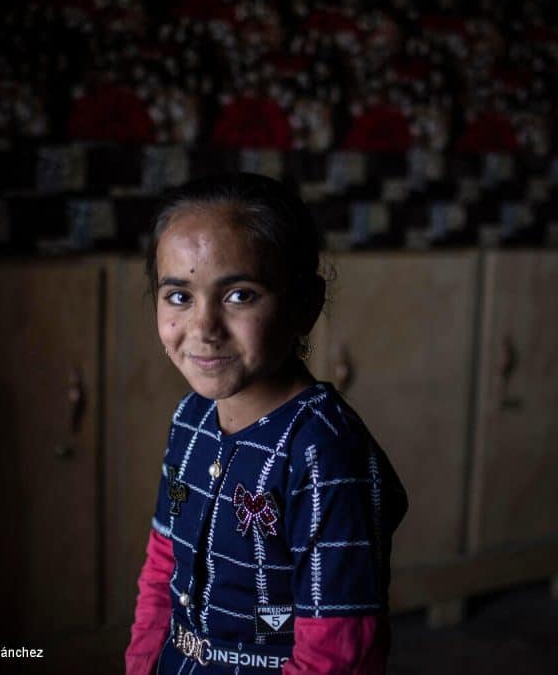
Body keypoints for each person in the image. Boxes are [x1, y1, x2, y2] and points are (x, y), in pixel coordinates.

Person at [124, 173, 408, 674]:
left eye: (239, 295)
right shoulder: (190, 420)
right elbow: (162, 566)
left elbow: (338, 655)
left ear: (305, 305)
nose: (204, 328)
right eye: (179, 296)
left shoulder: (323, 452)